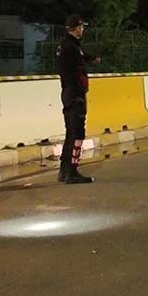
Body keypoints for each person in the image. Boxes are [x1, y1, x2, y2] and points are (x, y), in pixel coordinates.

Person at [57, 15, 100, 184]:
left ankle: (64, 170)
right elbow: (76, 67)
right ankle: (72, 171)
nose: (83, 30)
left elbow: (82, 57)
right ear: (76, 28)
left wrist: (91, 58)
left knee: (71, 133)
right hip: (74, 94)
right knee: (77, 134)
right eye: (81, 27)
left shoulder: (67, 45)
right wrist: (78, 95)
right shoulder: (72, 47)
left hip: (69, 93)